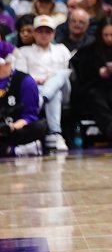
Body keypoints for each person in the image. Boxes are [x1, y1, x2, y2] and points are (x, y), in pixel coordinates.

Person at [14, 15, 73, 152]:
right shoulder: (24, 52)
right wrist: (37, 80)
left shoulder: (61, 49)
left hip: (63, 88)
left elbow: (68, 73)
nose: (44, 35)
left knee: (63, 74)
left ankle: (44, 97)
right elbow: (21, 77)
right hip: (36, 90)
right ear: (34, 33)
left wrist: (48, 79)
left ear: (53, 34)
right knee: (55, 94)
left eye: (48, 31)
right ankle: (56, 133)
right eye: (40, 31)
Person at [0, 46, 47, 156]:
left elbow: (29, 115)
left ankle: (9, 149)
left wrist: (11, 127)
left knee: (38, 127)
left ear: (7, 62)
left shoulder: (25, 81)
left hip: (14, 128)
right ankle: (14, 150)